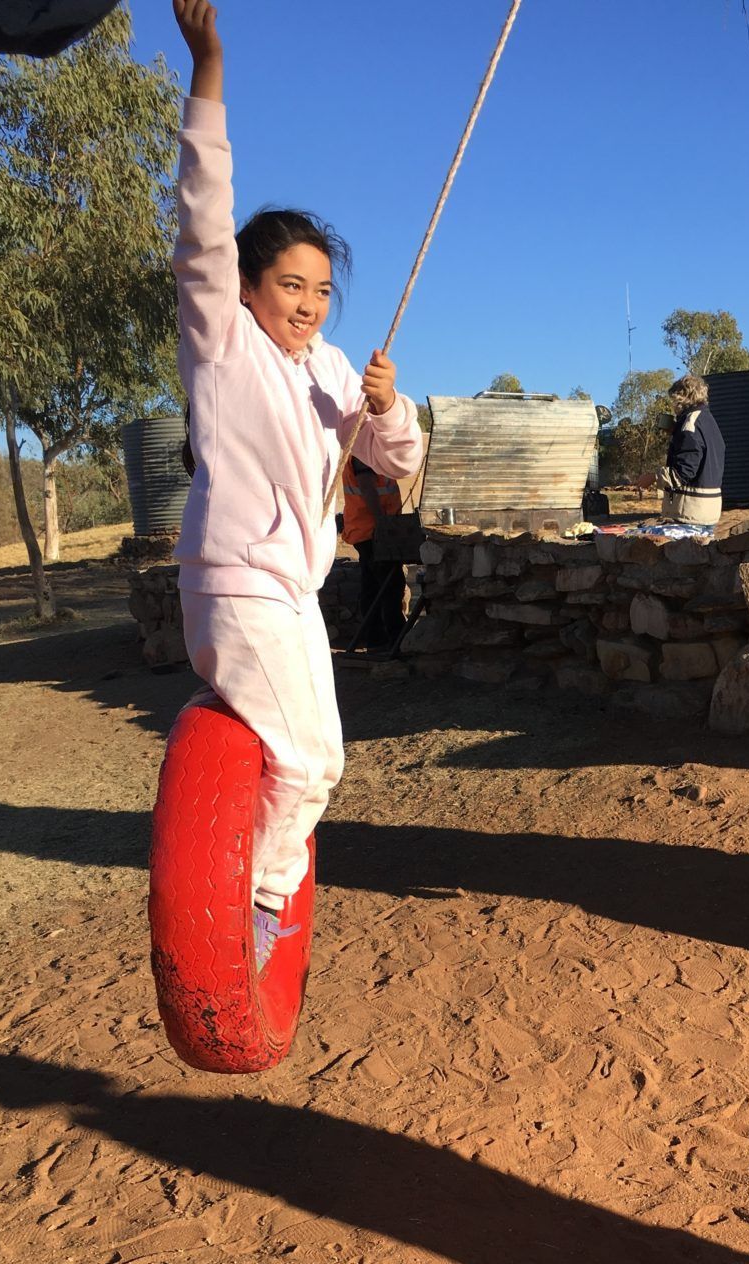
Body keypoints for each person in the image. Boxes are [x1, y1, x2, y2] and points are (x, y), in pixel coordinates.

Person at [171, 0, 424, 969]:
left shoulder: (329, 372)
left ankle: (252, 885)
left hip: (291, 595)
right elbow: (200, 216)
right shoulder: (222, 344)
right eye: (290, 285)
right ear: (246, 287)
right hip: (238, 585)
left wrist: (389, 407)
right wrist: (210, 74)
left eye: (321, 290)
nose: (309, 305)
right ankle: (258, 906)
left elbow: (396, 461)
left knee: (313, 760)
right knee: (316, 761)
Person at [342, 454, 405, 650]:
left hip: (366, 530)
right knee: (391, 585)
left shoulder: (368, 452)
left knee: (373, 586)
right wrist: (382, 522)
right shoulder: (364, 454)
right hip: (372, 530)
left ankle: (376, 640)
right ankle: (396, 640)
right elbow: (367, 487)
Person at [658, 374, 724, 526]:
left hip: (690, 512)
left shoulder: (690, 424)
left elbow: (684, 471)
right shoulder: (707, 419)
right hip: (710, 508)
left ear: (682, 397)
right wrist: (676, 431)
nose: (673, 405)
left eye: (674, 399)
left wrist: (653, 478)